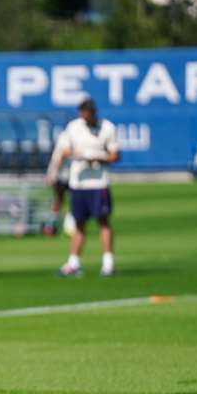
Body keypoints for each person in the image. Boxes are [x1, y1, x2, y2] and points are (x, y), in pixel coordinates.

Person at [51, 98, 120, 277]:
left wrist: (97, 157)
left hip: (99, 182)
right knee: (79, 224)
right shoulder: (74, 127)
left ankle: (108, 263)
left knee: (103, 222)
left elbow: (115, 155)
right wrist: (79, 156)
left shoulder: (107, 128)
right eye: (82, 113)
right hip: (79, 182)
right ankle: (74, 263)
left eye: (87, 113)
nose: (85, 116)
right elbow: (64, 151)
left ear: (93, 112)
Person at [43, 130, 75, 237]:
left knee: (60, 201)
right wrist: (53, 173)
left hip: (67, 174)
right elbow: (62, 155)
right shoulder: (67, 136)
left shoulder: (66, 136)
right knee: (60, 200)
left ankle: (55, 226)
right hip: (64, 175)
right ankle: (54, 226)